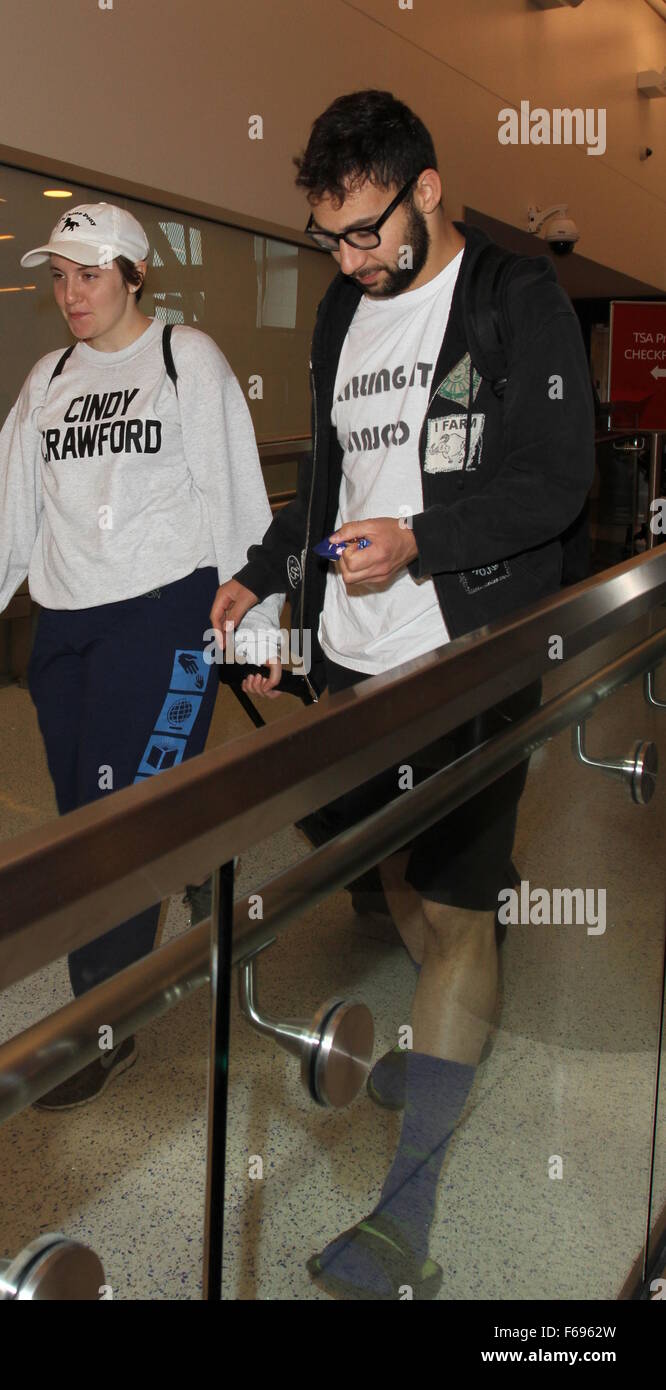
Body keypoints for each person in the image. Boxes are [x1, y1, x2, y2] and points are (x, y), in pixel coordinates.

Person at [211, 91, 595, 1299]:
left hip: (468, 648)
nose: (354, 260)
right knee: (401, 884)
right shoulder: (343, 311)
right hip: (356, 655)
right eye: (331, 238)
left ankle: (405, 1218)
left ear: (427, 190)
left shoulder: (510, 299)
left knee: (458, 908)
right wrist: (262, 575)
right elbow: (332, 482)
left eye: (370, 231)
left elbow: (555, 481)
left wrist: (421, 540)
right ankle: (450, 1027)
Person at [0, 201, 282, 1109]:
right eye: (59, 276)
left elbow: (235, 494)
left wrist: (265, 630)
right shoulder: (48, 378)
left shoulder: (184, 359)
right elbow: (8, 505)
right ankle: (192, 853)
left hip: (166, 621)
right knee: (87, 810)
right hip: (67, 627)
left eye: (88, 274)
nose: (70, 294)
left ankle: (98, 1024)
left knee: (115, 819)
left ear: (133, 274)